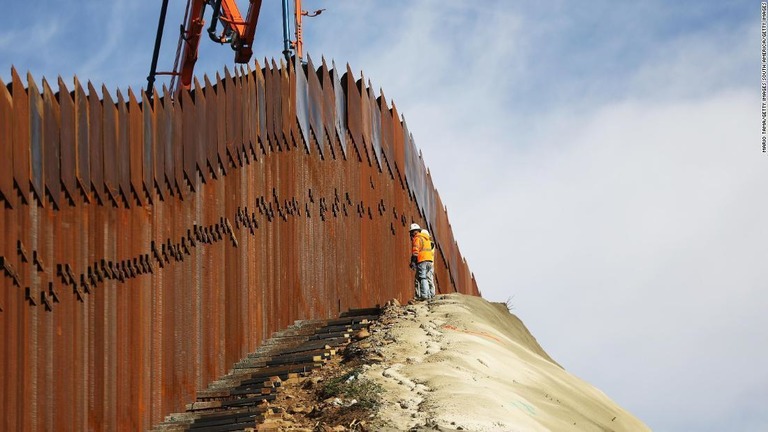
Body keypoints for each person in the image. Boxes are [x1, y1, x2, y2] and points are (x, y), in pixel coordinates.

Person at [408, 223, 435, 300]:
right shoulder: (426, 239)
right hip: (429, 261)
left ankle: (424, 295)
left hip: (422, 260)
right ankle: (429, 295)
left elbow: (415, 251)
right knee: (427, 277)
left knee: (422, 278)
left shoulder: (417, 238)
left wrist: (413, 261)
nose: (411, 234)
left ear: (415, 232)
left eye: (411, 232)